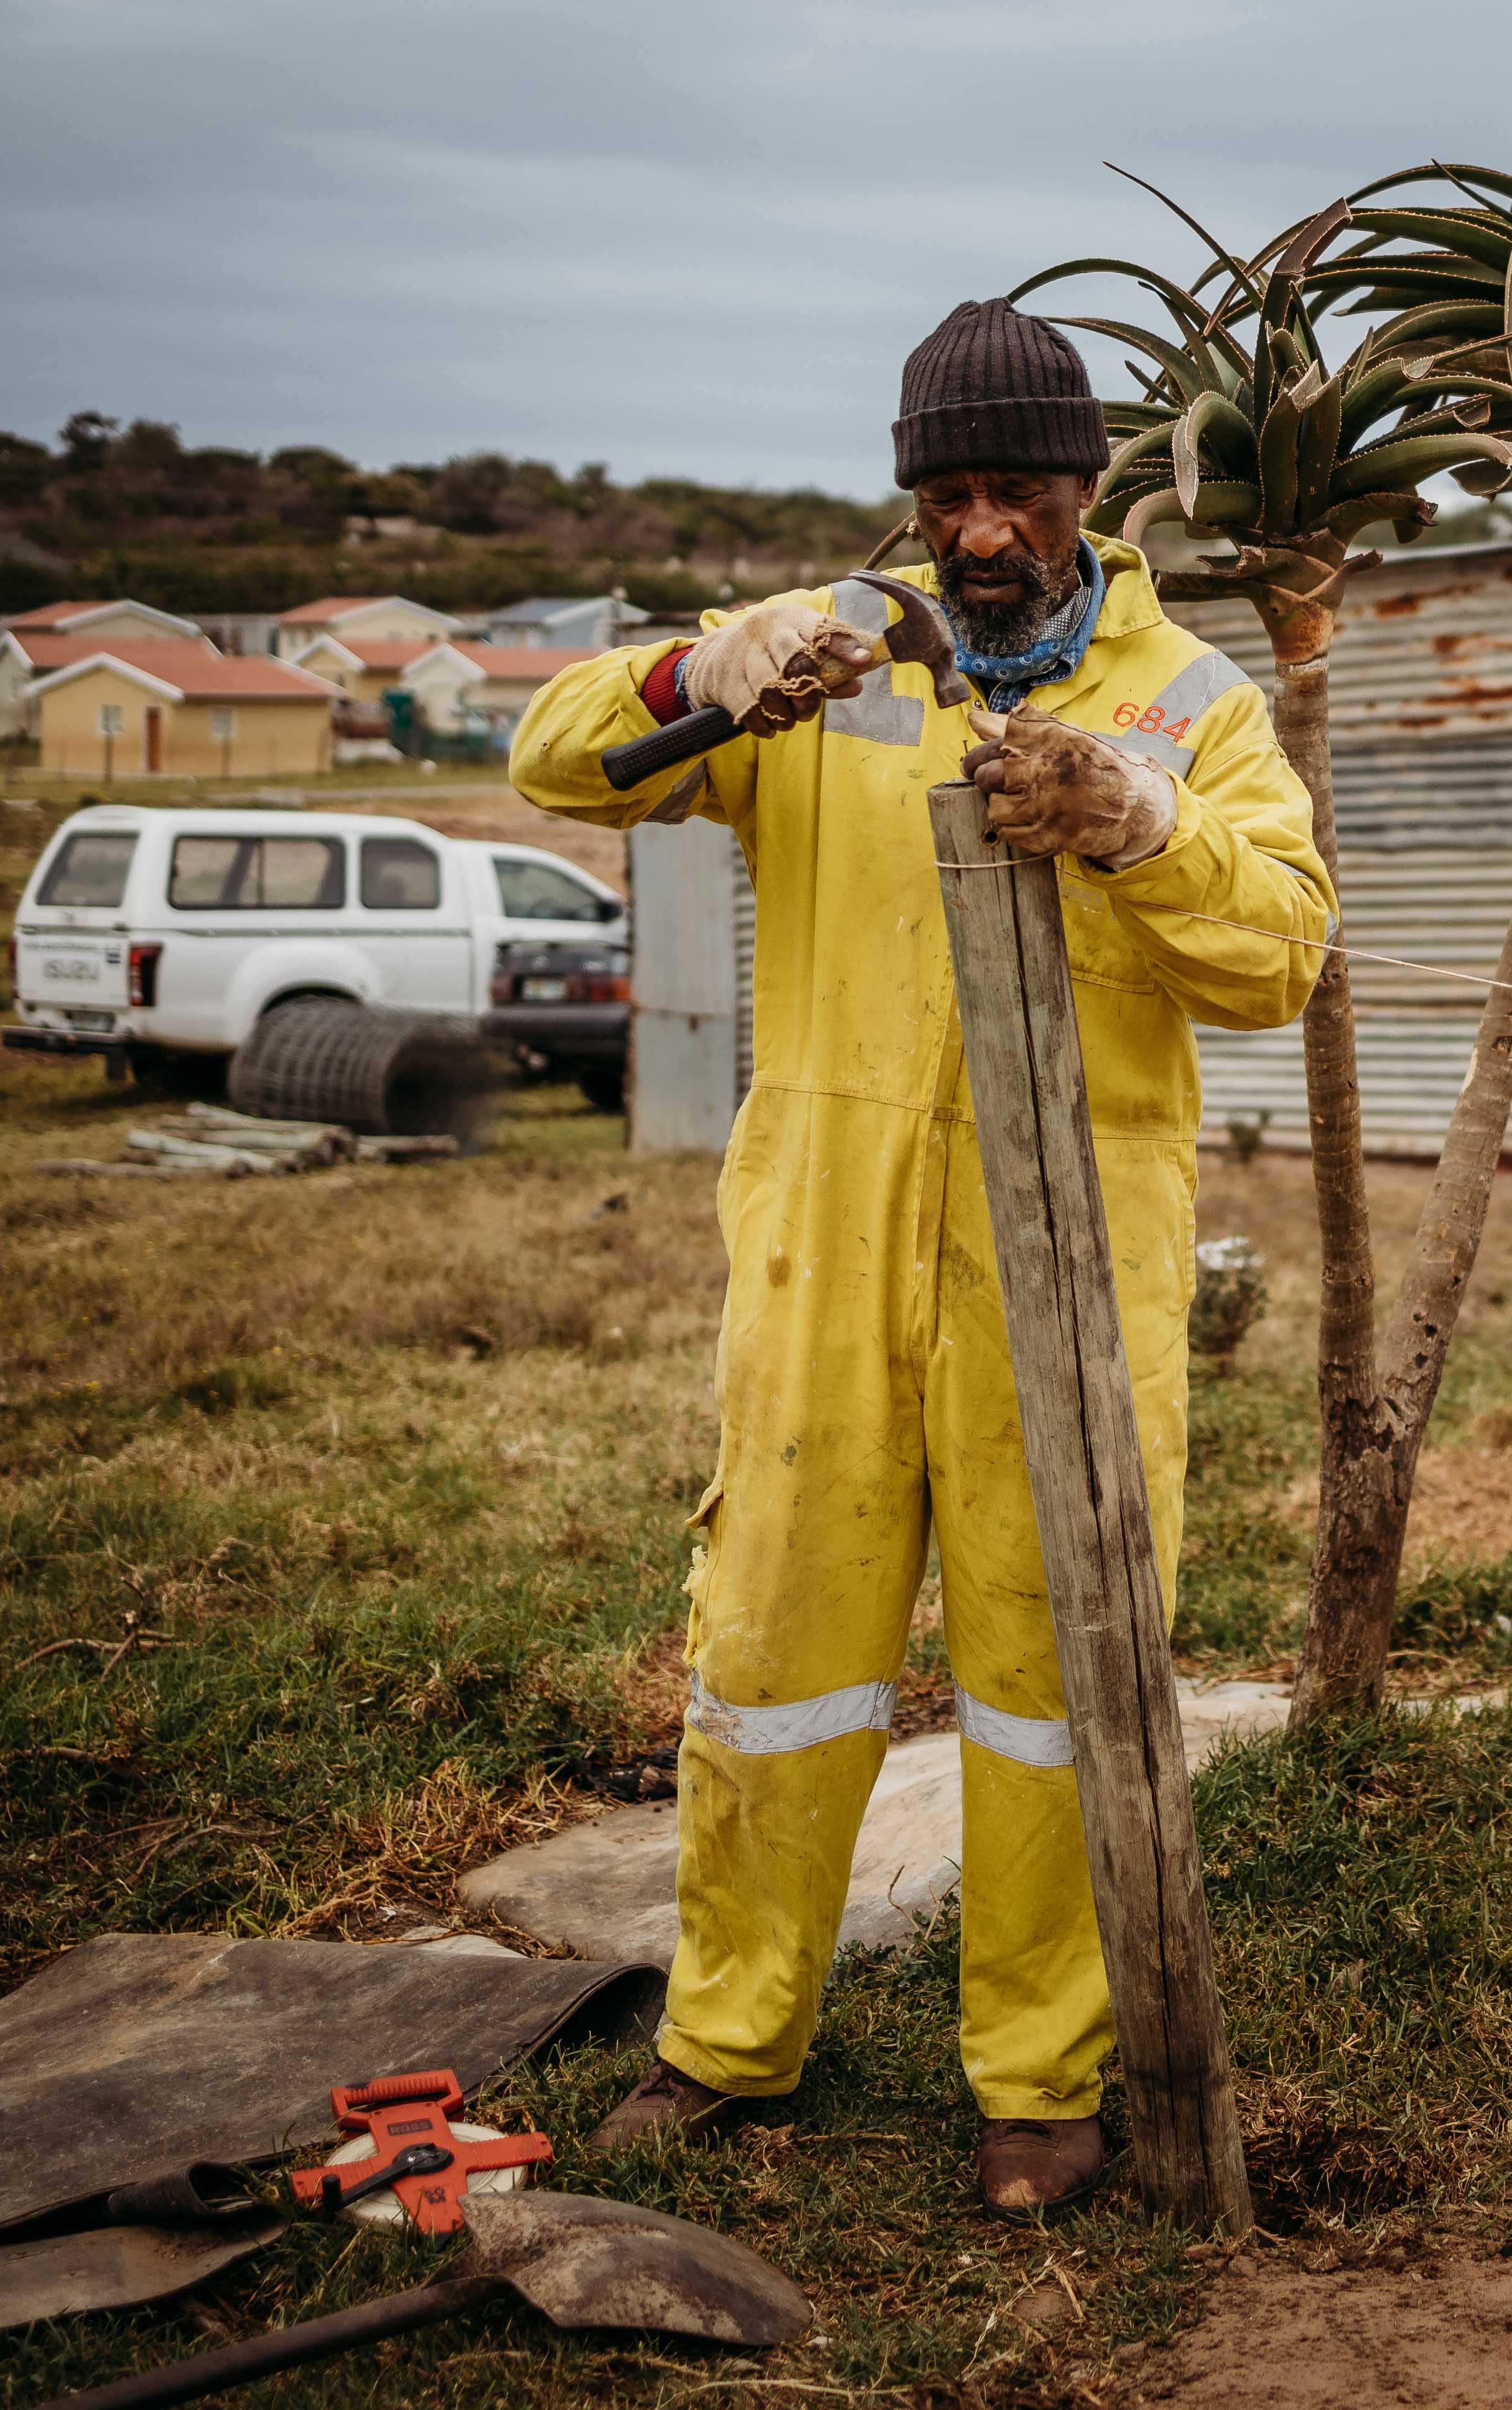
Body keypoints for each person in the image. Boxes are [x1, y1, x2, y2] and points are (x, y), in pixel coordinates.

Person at [508, 303, 1331, 2209]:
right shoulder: (829, 664)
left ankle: (1035, 2082)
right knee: (776, 1650)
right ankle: (726, 2042)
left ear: (1091, 488)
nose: (981, 532)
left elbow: (1281, 951)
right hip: (825, 1240)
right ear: (907, 500)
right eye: (947, 496)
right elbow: (558, 764)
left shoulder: (1192, 697)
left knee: (1056, 1663)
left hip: (1072, 1245)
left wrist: (1140, 825)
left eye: (1018, 493)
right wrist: (699, 673)